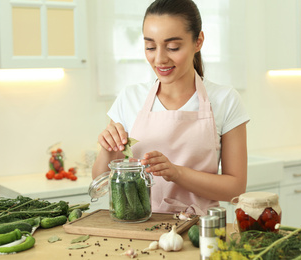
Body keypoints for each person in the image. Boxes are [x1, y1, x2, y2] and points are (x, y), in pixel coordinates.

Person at [92, 0, 250, 215]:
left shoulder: (225, 100)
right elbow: (100, 183)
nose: (159, 59)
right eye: (150, 46)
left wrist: (177, 173)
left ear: (198, 42)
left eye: (173, 47)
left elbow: (235, 190)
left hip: (200, 232)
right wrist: (107, 150)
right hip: (137, 230)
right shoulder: (130, 98)